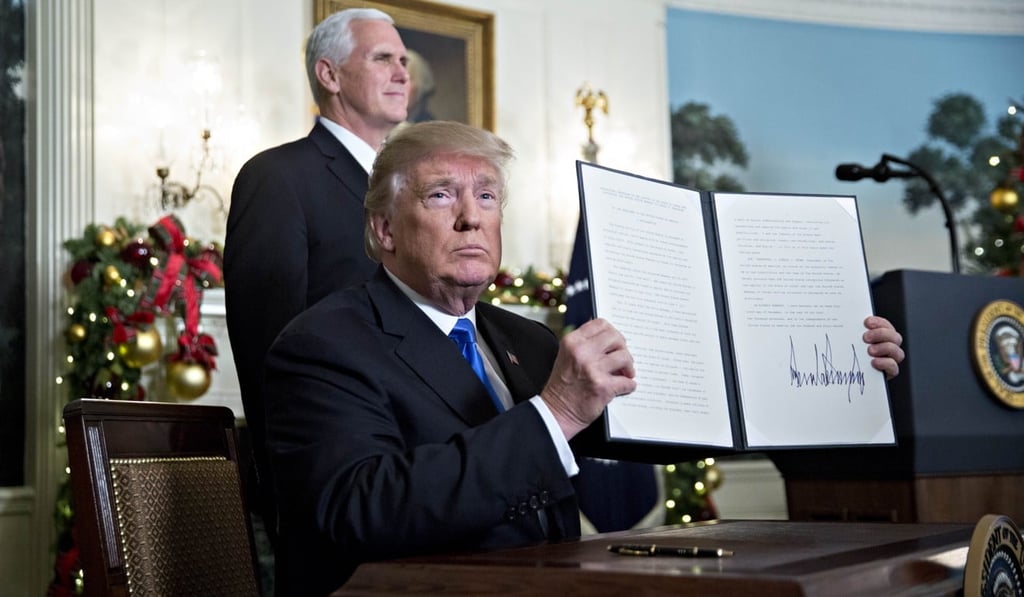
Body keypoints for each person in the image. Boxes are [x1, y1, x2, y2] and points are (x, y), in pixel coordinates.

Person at [261, 121, 907, 595]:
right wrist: (558, 409)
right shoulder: (324, 343)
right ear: (384, 229)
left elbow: (671, 423)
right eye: (439, 196)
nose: (470, 218)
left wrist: (829, 372)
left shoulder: (526, 339)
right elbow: (361, 510)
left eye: (487, 196)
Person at [222, 6, 409, 559]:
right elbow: (268, 346)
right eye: (383, 58)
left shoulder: (407, 191)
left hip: (416, 477)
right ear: (328, 75)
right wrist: (289, 490)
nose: (403, 72)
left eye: (403, 60)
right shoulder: (278, 177)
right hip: (331, 485)